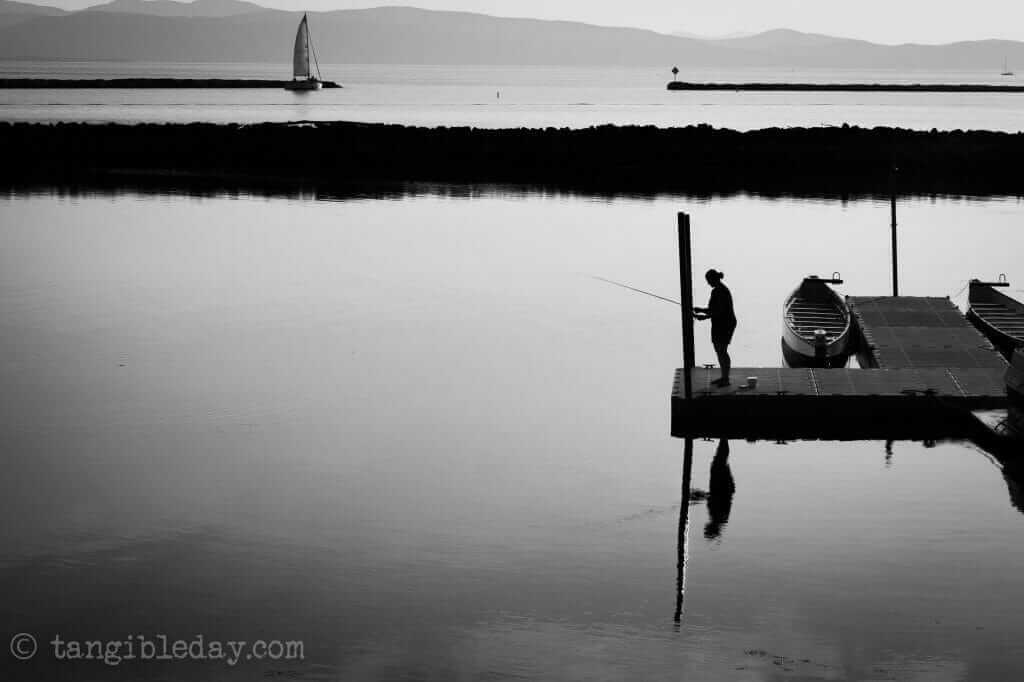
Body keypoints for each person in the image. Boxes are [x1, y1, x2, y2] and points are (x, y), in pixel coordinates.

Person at [693, 268, 736, 387]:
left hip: (725, 323)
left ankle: (726, 379)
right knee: (719, 350)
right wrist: (700, 310)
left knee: (722, 350)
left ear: (713, 279)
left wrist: (704, 317)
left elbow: (720, 311)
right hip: (719, 322)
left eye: (708, 280)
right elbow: (712, 309)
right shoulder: (717, 290)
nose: (708, 283)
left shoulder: (720, 291)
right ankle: (724, 377)